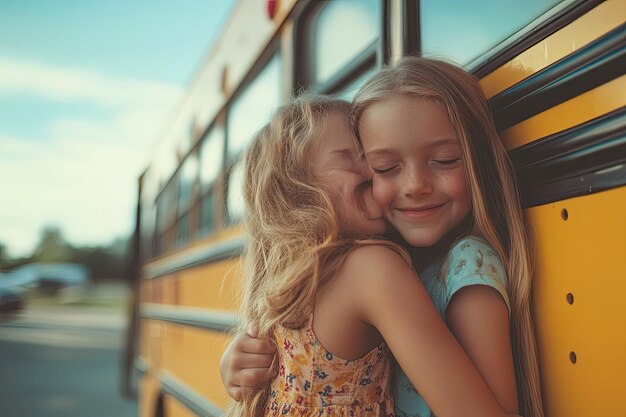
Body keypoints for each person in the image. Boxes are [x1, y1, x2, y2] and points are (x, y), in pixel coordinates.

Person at [221, 57, 546, 417]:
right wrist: (239, 363)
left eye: (446, 159)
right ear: (297, 192)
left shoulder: (385, 267)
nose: (412, 185)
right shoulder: (359, 270)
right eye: (381, 166)